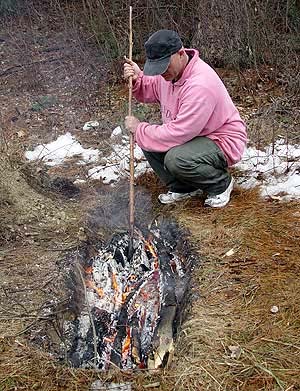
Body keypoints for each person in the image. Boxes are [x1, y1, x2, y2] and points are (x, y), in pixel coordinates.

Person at [124, 29, 247, 207]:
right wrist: (137, 79)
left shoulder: (200, 84)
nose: (161, 72)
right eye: (157, 67)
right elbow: (152, 88)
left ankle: (220, 184)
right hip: (195, 136)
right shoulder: (169, 74)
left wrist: (140, 129)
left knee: (176, 158)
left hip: (221, 139)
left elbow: (180, 133)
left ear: (181, 54)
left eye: (165, 65)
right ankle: (183, 188)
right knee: (148, 139)